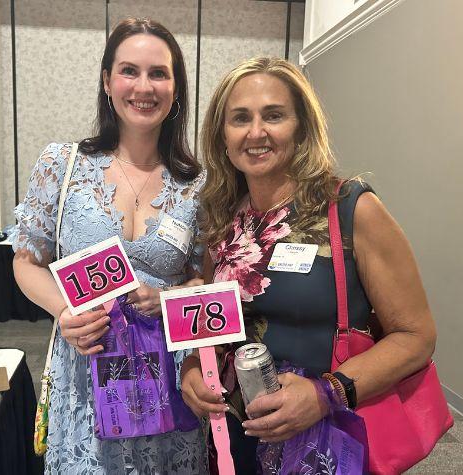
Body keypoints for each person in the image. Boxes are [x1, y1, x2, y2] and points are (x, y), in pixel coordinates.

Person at [180, 57, 438, 472]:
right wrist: (192, 368)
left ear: (300, 127)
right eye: (240, 118)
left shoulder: (350, 208)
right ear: (222, 135)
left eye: (274, 116)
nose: (256, 132)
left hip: (327, 437)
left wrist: (325, 394)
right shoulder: (222, 220)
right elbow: (212, 324)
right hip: (238, 439)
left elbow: (416, 336)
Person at [9, 18, 206, 473]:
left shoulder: (198, 185)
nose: (144, 86)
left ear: (176, 88)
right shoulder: (63, 165)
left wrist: (170, 297)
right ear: (106, 80)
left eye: (159, 73)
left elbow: (203, 276)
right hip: (87, 365)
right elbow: (26, 261)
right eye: (129, 71)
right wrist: (64, 311)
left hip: (167, 375)